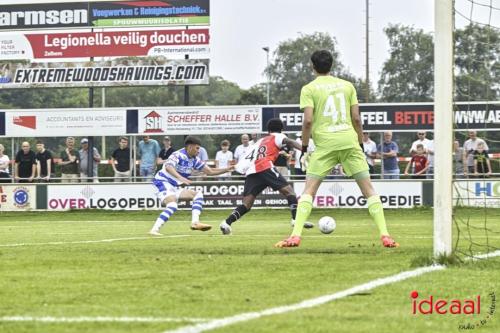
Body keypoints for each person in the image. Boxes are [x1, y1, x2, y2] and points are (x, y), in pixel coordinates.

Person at [275, 50, 398, 248]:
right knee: (369, 190)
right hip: (349, 141)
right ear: (331, 65)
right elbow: (357, 119)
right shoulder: (348, 86)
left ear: (312, 66)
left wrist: (305, 148)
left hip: (325, 145)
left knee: (309, 190)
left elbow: (307, 121)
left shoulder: (309, 88)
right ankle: (385, 236)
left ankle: (295, 236)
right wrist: (359, 143)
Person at [220, 119, 313, 235]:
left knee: (246, 204)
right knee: (290, 193)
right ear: (282, 130)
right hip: (265, 167)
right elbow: (289, 142)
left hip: (252, 171)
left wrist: (239, 168)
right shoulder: (278, 136)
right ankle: (295, 219)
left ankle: (226, 223)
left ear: (268, 130)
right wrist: (304, 150)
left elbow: (248, 155)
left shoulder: (261, 140)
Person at [149, 136, 235, 236]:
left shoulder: (194, 159)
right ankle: (154, 230)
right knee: (172, 205)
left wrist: (227, 169)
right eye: (197, 148)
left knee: (197, 195)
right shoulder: (178, 155)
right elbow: (168, 167)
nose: (199, 151)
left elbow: (209, 171)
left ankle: (195, 223)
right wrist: (180, 178)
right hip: (162, 182)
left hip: (174, 186)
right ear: (190, 147)